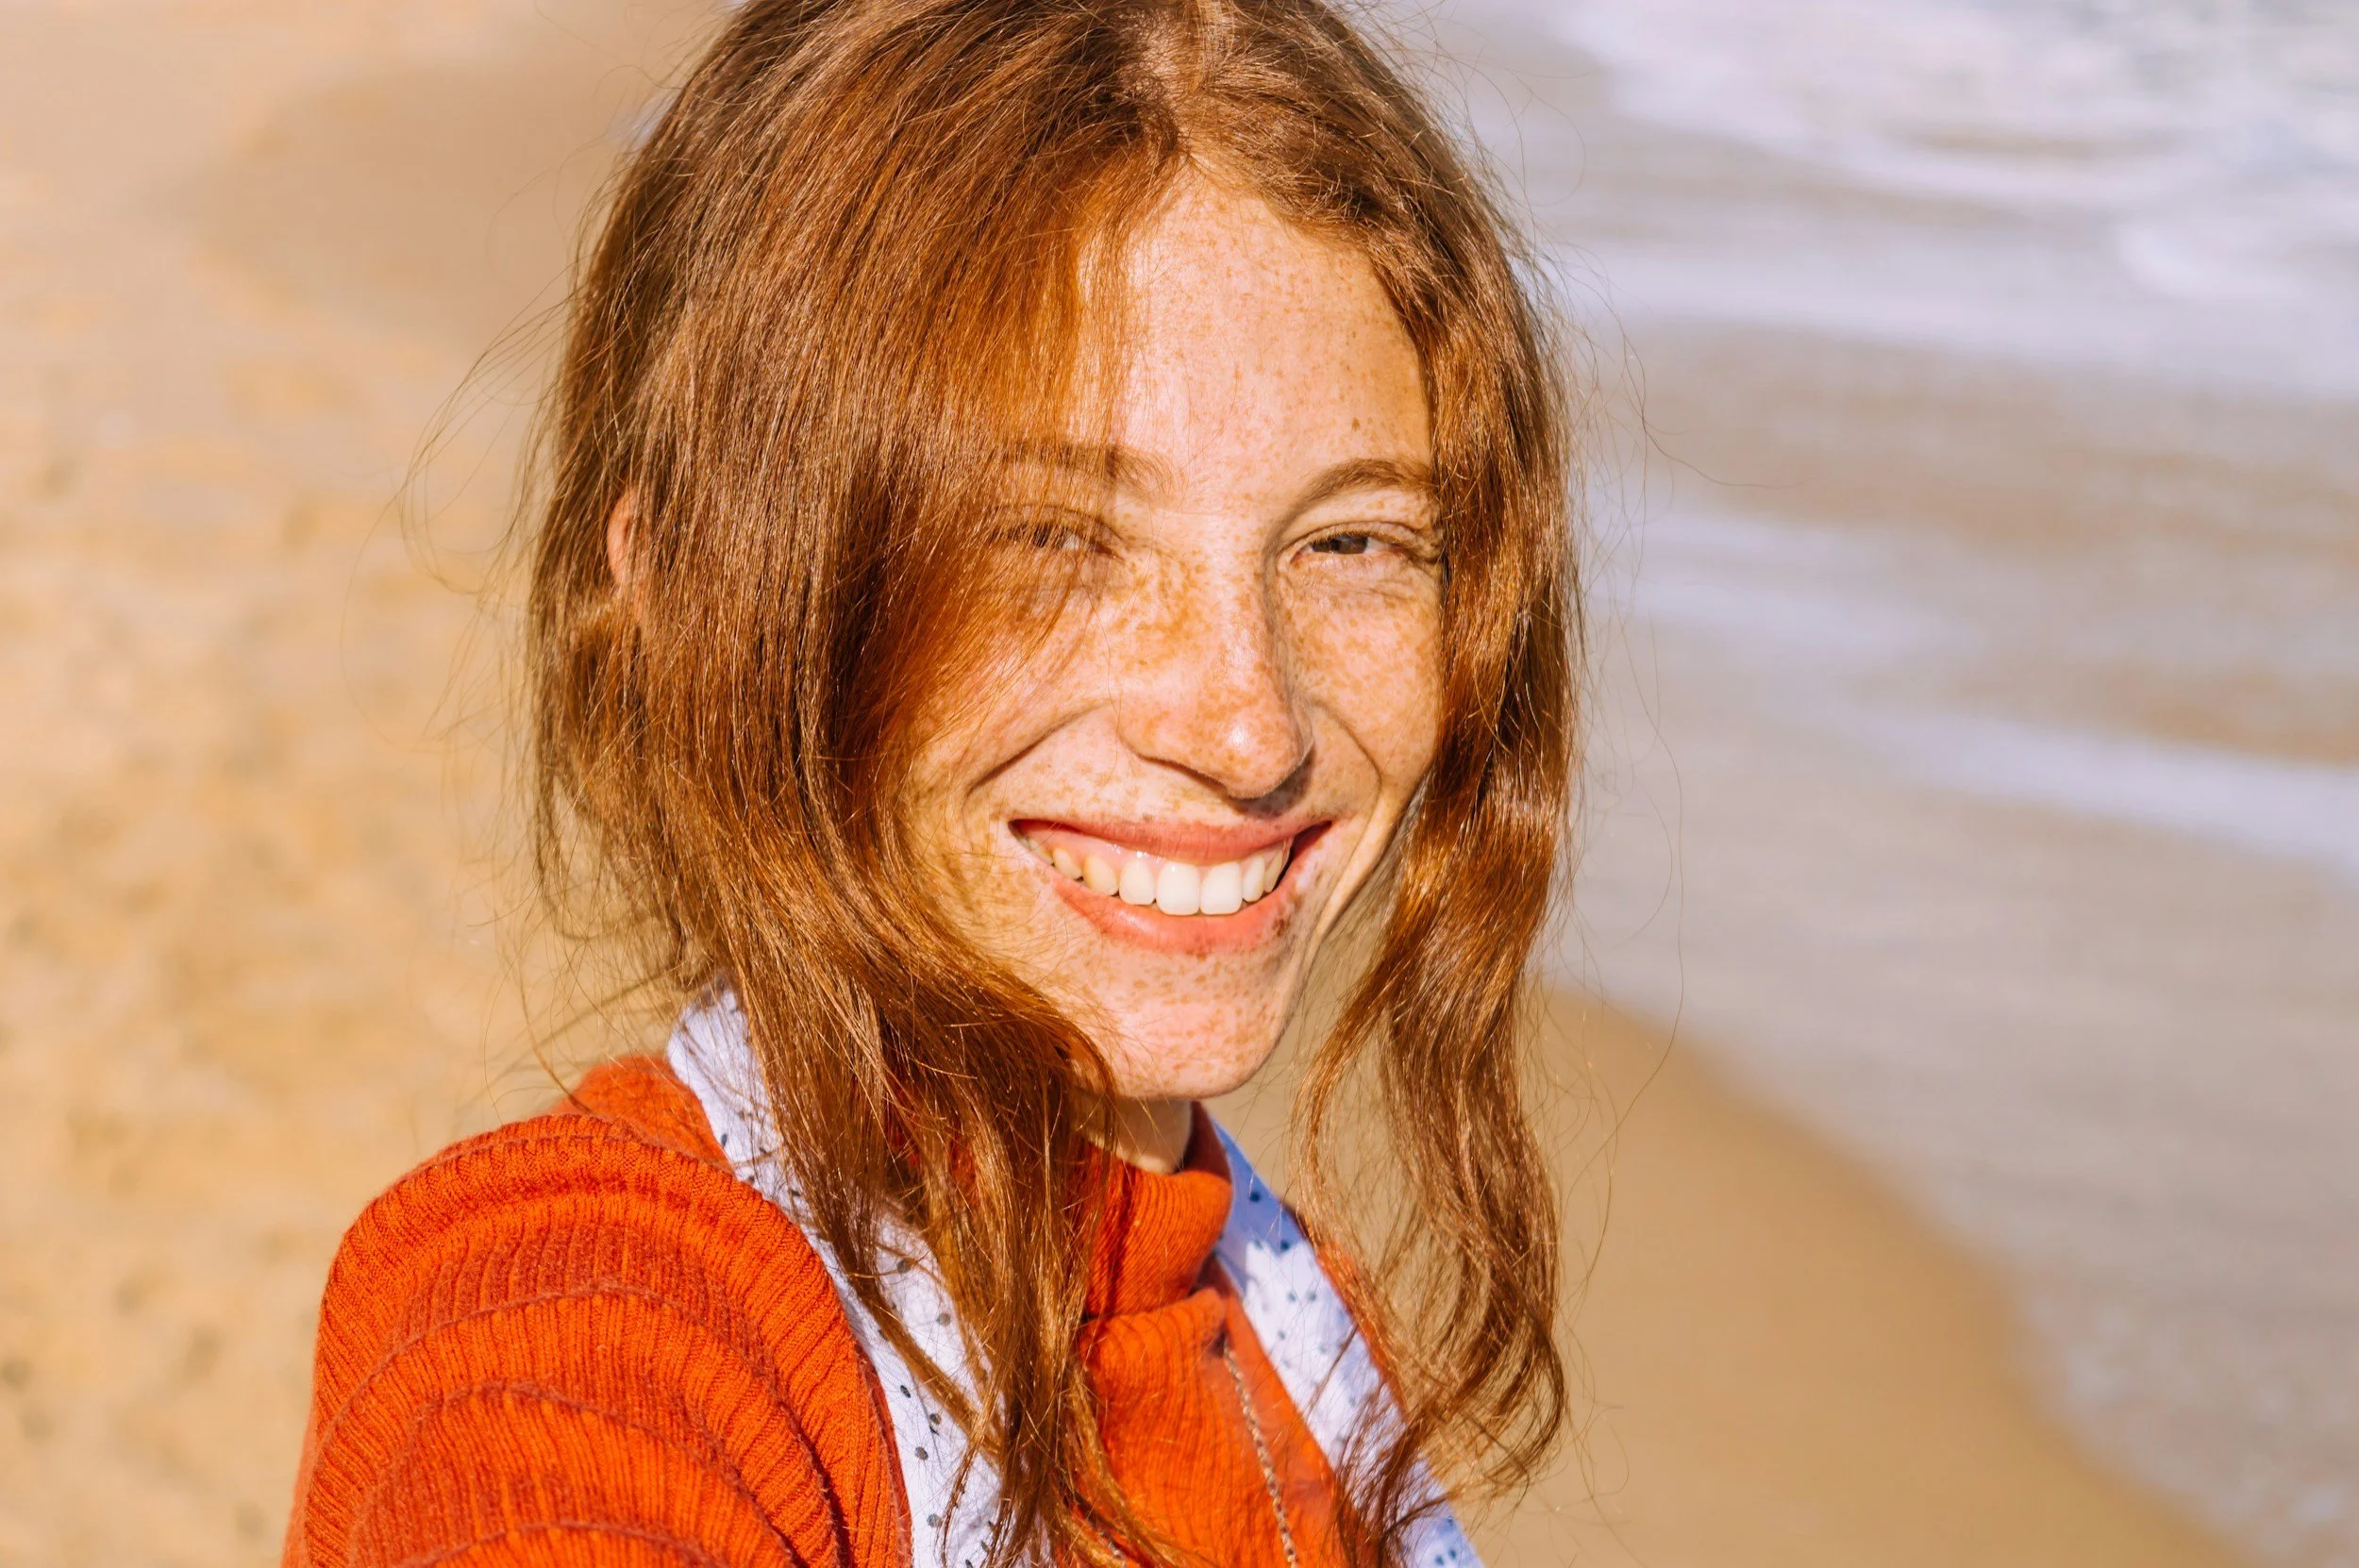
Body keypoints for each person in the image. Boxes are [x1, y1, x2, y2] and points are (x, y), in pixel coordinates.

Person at [280, 0, 1579, 1562]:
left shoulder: (1286, 1321)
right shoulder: (565, 1328)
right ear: (695, 598)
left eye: (1353, 541)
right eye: (1054, 540)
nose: (1250, 727)